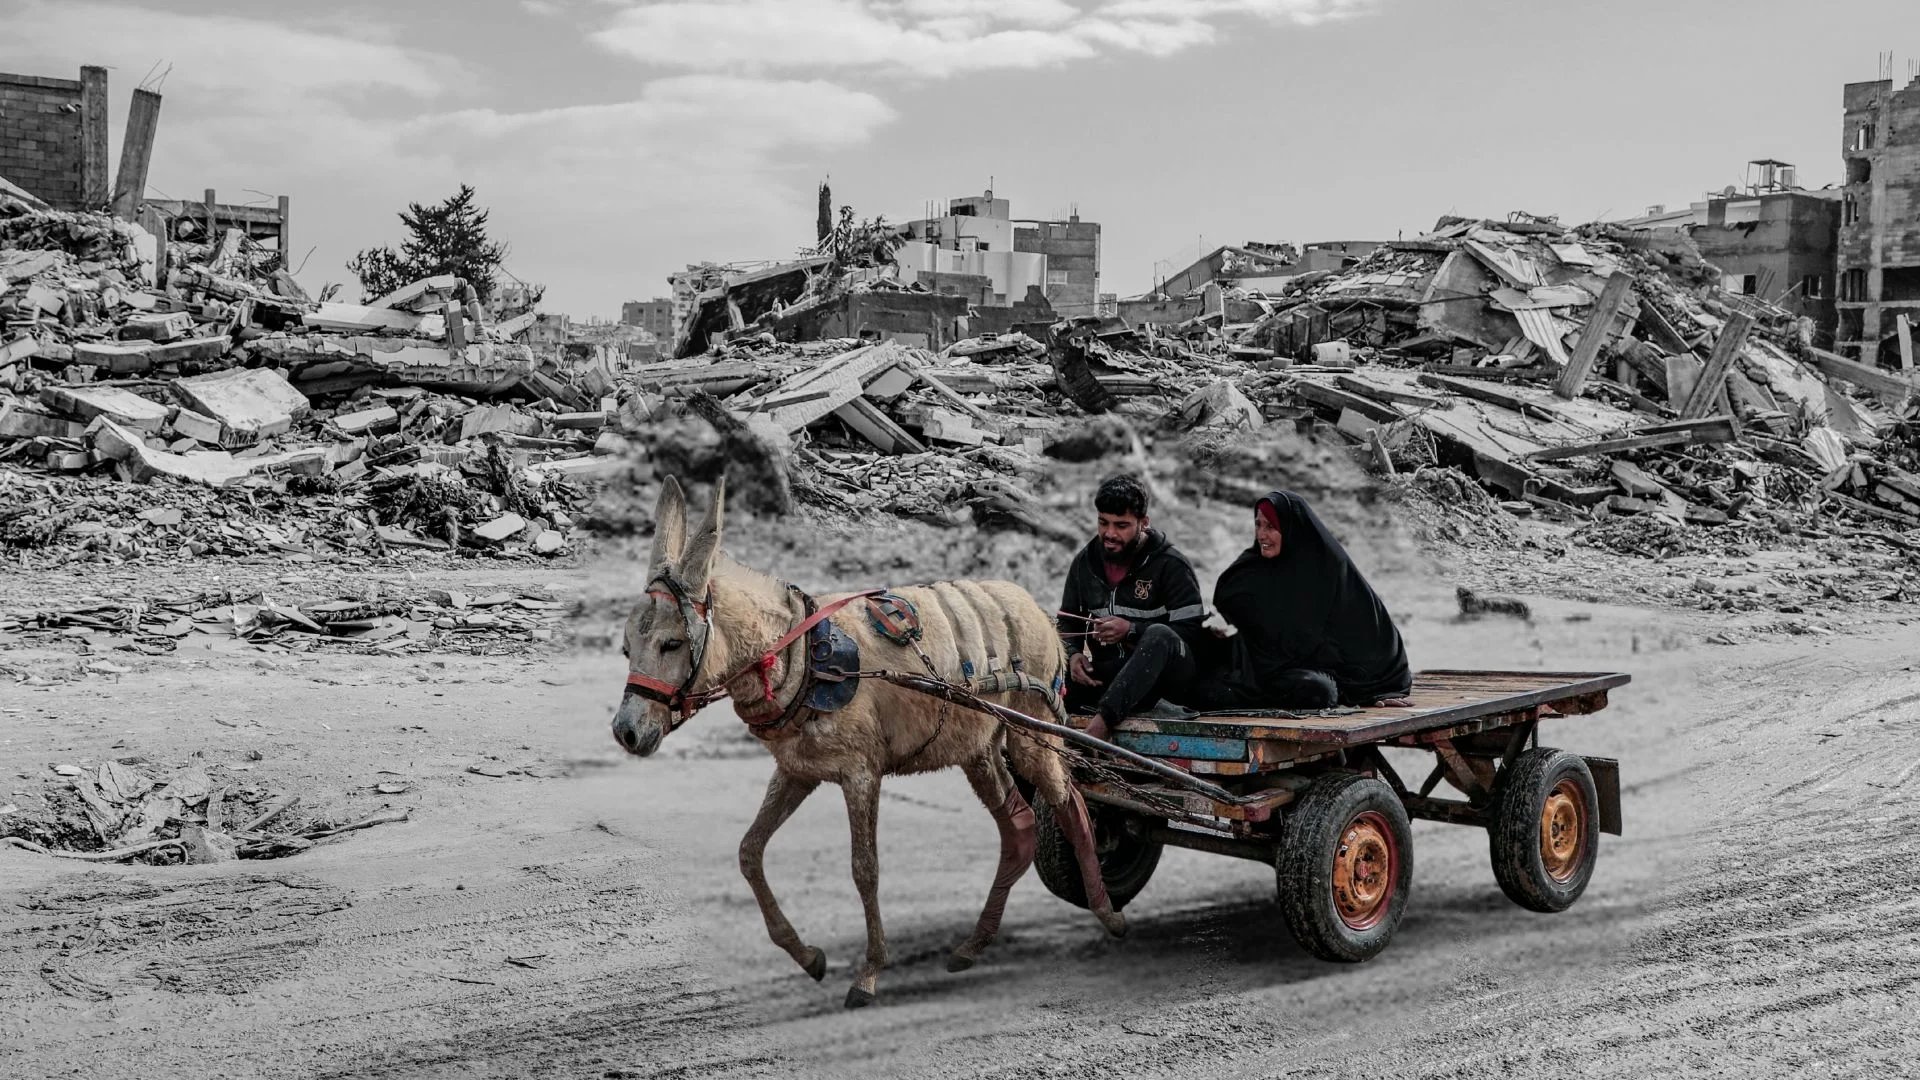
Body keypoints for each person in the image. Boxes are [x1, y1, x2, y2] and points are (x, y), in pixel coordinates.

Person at [1203, 490, 1413, 711]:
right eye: (1258, 525)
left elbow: (1370, 633)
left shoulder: (1328, 567)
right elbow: (1226, 619)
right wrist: (1220, 627)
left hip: (1301, 675)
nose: (1262, 535)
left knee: (1316, 691)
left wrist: (1378, 689)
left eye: (1271, 527)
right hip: (1253, 673)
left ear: (1292, 528)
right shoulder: (1245, 572)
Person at [1057, 475, 1208, 741]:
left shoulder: (1171, 566)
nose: (1110, 534)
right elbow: (1068, 622)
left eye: (1122, 525)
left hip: (1167, 681)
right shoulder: (1085, 564)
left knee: (1159, 634)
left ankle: (1096, 733)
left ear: (1144, 523)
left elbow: (1191, 636)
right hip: (1114, 678)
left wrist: (1132, 630)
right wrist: (1072, 656)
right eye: (1103, 523)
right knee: (1048, 680)